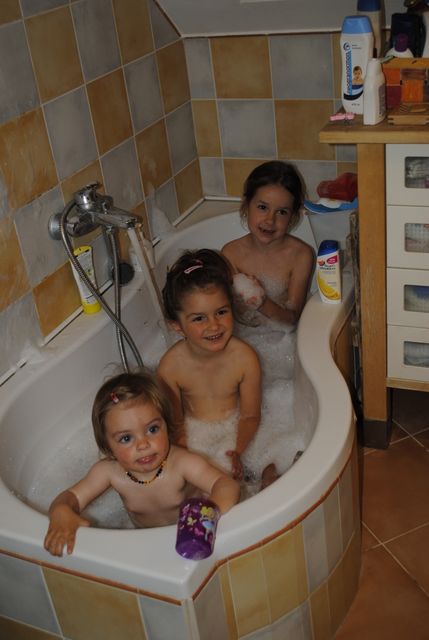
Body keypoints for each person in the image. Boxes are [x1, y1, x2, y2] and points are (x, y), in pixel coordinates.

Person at [44, 371, 240, 557]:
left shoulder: (182, 464)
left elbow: (226, 484)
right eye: (126, 438)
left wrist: (208, 512)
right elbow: (71, 497)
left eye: (152, 429)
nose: (143, 444)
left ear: (167, 425)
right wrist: (61, 511)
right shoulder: (108, 472)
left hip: (194, 535)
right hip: (146, 540)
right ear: (108, 447)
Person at [157, 249, 262, 482]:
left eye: (221, 312)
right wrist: (192, 460)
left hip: (238, 437)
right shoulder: (170, 367)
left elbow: (250, 416)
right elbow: (175, 424)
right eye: (199, 318)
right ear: (177, 326)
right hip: (193, 441)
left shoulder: (245, 358)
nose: (214, 325)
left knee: (269, 471)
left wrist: (236, 452)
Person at [222, 160, 314, 329]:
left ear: (292, 217)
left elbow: (292, 319)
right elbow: (232, 314)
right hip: (246, 332)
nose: (270, 220)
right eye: (262, 207)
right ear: (246, 206)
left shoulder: (301, 255)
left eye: (282, 212)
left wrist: (262, 302)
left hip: (281, 336)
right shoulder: (231, 253)